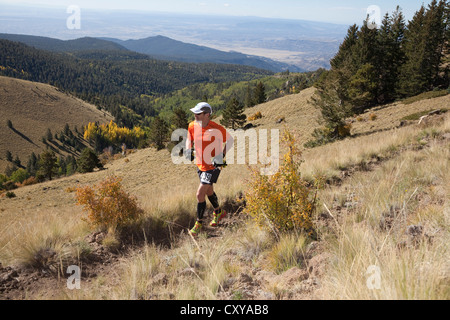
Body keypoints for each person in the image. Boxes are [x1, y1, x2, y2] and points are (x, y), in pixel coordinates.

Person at [186, 102, 234, 237]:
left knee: (200, 193)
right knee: (209, 190)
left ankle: (198, 223)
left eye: (198, 113)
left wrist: (221, 156)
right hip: (200, 164)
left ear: (207, 115)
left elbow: (230, 140)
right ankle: (218, 212)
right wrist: (188, 148)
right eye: (194, 113)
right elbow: (189, 137)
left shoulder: (216, 128)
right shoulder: (192, 125)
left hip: (214, 166)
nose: (195, 115)